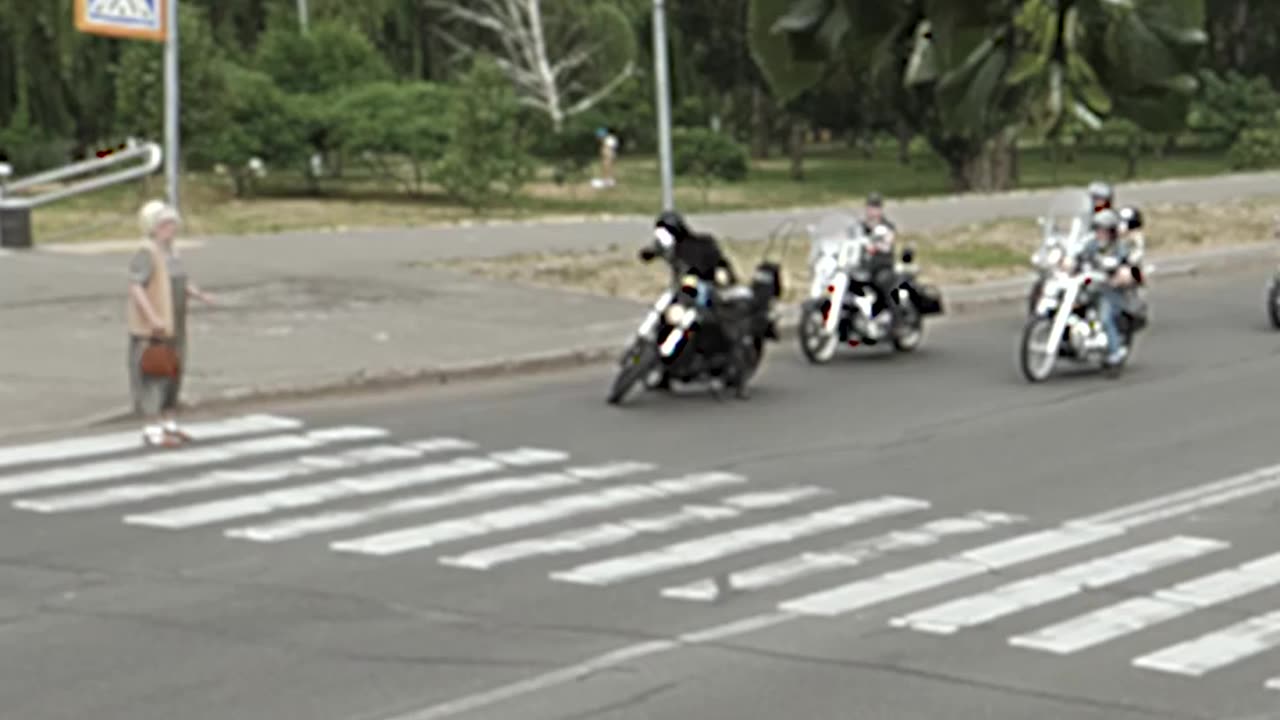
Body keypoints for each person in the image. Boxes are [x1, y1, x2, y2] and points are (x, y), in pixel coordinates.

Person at [126, 200, 216, 447]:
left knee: (174, 372)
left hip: (176, 324)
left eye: (172, 223)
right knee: (153, 373)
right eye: (164, 224)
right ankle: (152, 427)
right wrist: (153, 317)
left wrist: (198, 294)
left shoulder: (172, 251)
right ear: (152, 227)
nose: (171, 228)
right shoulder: (146, 251)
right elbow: (136, 287)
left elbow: (178, 281)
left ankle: (169, 422)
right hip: (154, 329)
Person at [639, 211, 749, 397]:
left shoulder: (703, 243)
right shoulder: (669, 248)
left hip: (705, 295)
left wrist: (722, 274)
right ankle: (664, 373)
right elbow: (649, 253)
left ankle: (739, 379)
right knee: (665, 321)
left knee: (722, 328)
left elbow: (721, 263)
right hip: (681, 293)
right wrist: (648, 254)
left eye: (667, 231)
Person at [1081, 208, 1138, 367]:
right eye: (1098, 229)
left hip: (1112, 291)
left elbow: (1128, 267)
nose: (1100, 233)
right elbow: (1080, 257)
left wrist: (1122, 274)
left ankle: (1115, 352)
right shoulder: (1091, 245)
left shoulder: (1120, 248)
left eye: (1104, 230)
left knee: (1105, 318)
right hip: (1091, 286)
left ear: (1112, 232)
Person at [860, 192, 901, 324]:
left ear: (881, 210)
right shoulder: (860, 227)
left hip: (882, 266)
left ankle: (896, 320)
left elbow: (885, 244)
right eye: (870, 207)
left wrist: (874, 245)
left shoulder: (887, 227)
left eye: (876, 207)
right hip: (863, 267)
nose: (872, 211)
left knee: (882, 281)